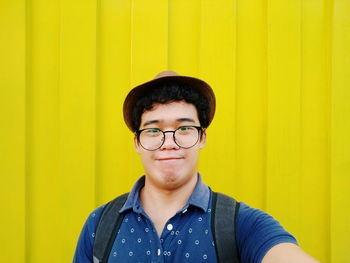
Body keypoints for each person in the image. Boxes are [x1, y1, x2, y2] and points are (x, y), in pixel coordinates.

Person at [73, 71, 320, 263]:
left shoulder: (241, 225)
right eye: (153, 130)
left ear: (202, 138)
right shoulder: (99, 226)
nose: (169, 143)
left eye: (184, 128)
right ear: (137, 142)